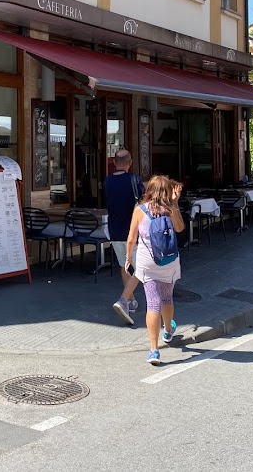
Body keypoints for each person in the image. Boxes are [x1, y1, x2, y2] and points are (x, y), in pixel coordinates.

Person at [114, 175, 185, 365]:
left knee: (153, 303)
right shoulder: (169, 209)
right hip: (168, 261)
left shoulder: (139, 210)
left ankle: (154, 350)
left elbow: (131, 238)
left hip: (148, 262)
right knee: (167, 298)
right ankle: (168, 331)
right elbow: (180, 229)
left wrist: (128, 259)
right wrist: (175, 202)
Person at [104, 149, 145, 320]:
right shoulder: (134, 179)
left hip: (114, 230)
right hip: (133, 231)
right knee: (141, 267)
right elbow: (144, 202)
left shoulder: (107, 182)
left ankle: (131, 301)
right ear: (130, 162)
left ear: (114, 162)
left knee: (124, 265)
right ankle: (123, 299)